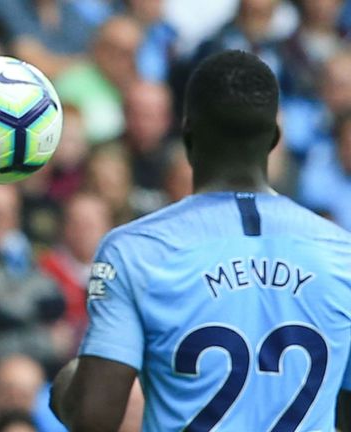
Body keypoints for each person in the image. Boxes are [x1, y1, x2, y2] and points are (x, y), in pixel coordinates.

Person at [50, 50, 351, 431]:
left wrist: (67, 384)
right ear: (273, 139)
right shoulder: (342, 253)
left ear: (187, 134)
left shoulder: (135, 251)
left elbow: (95, 417)